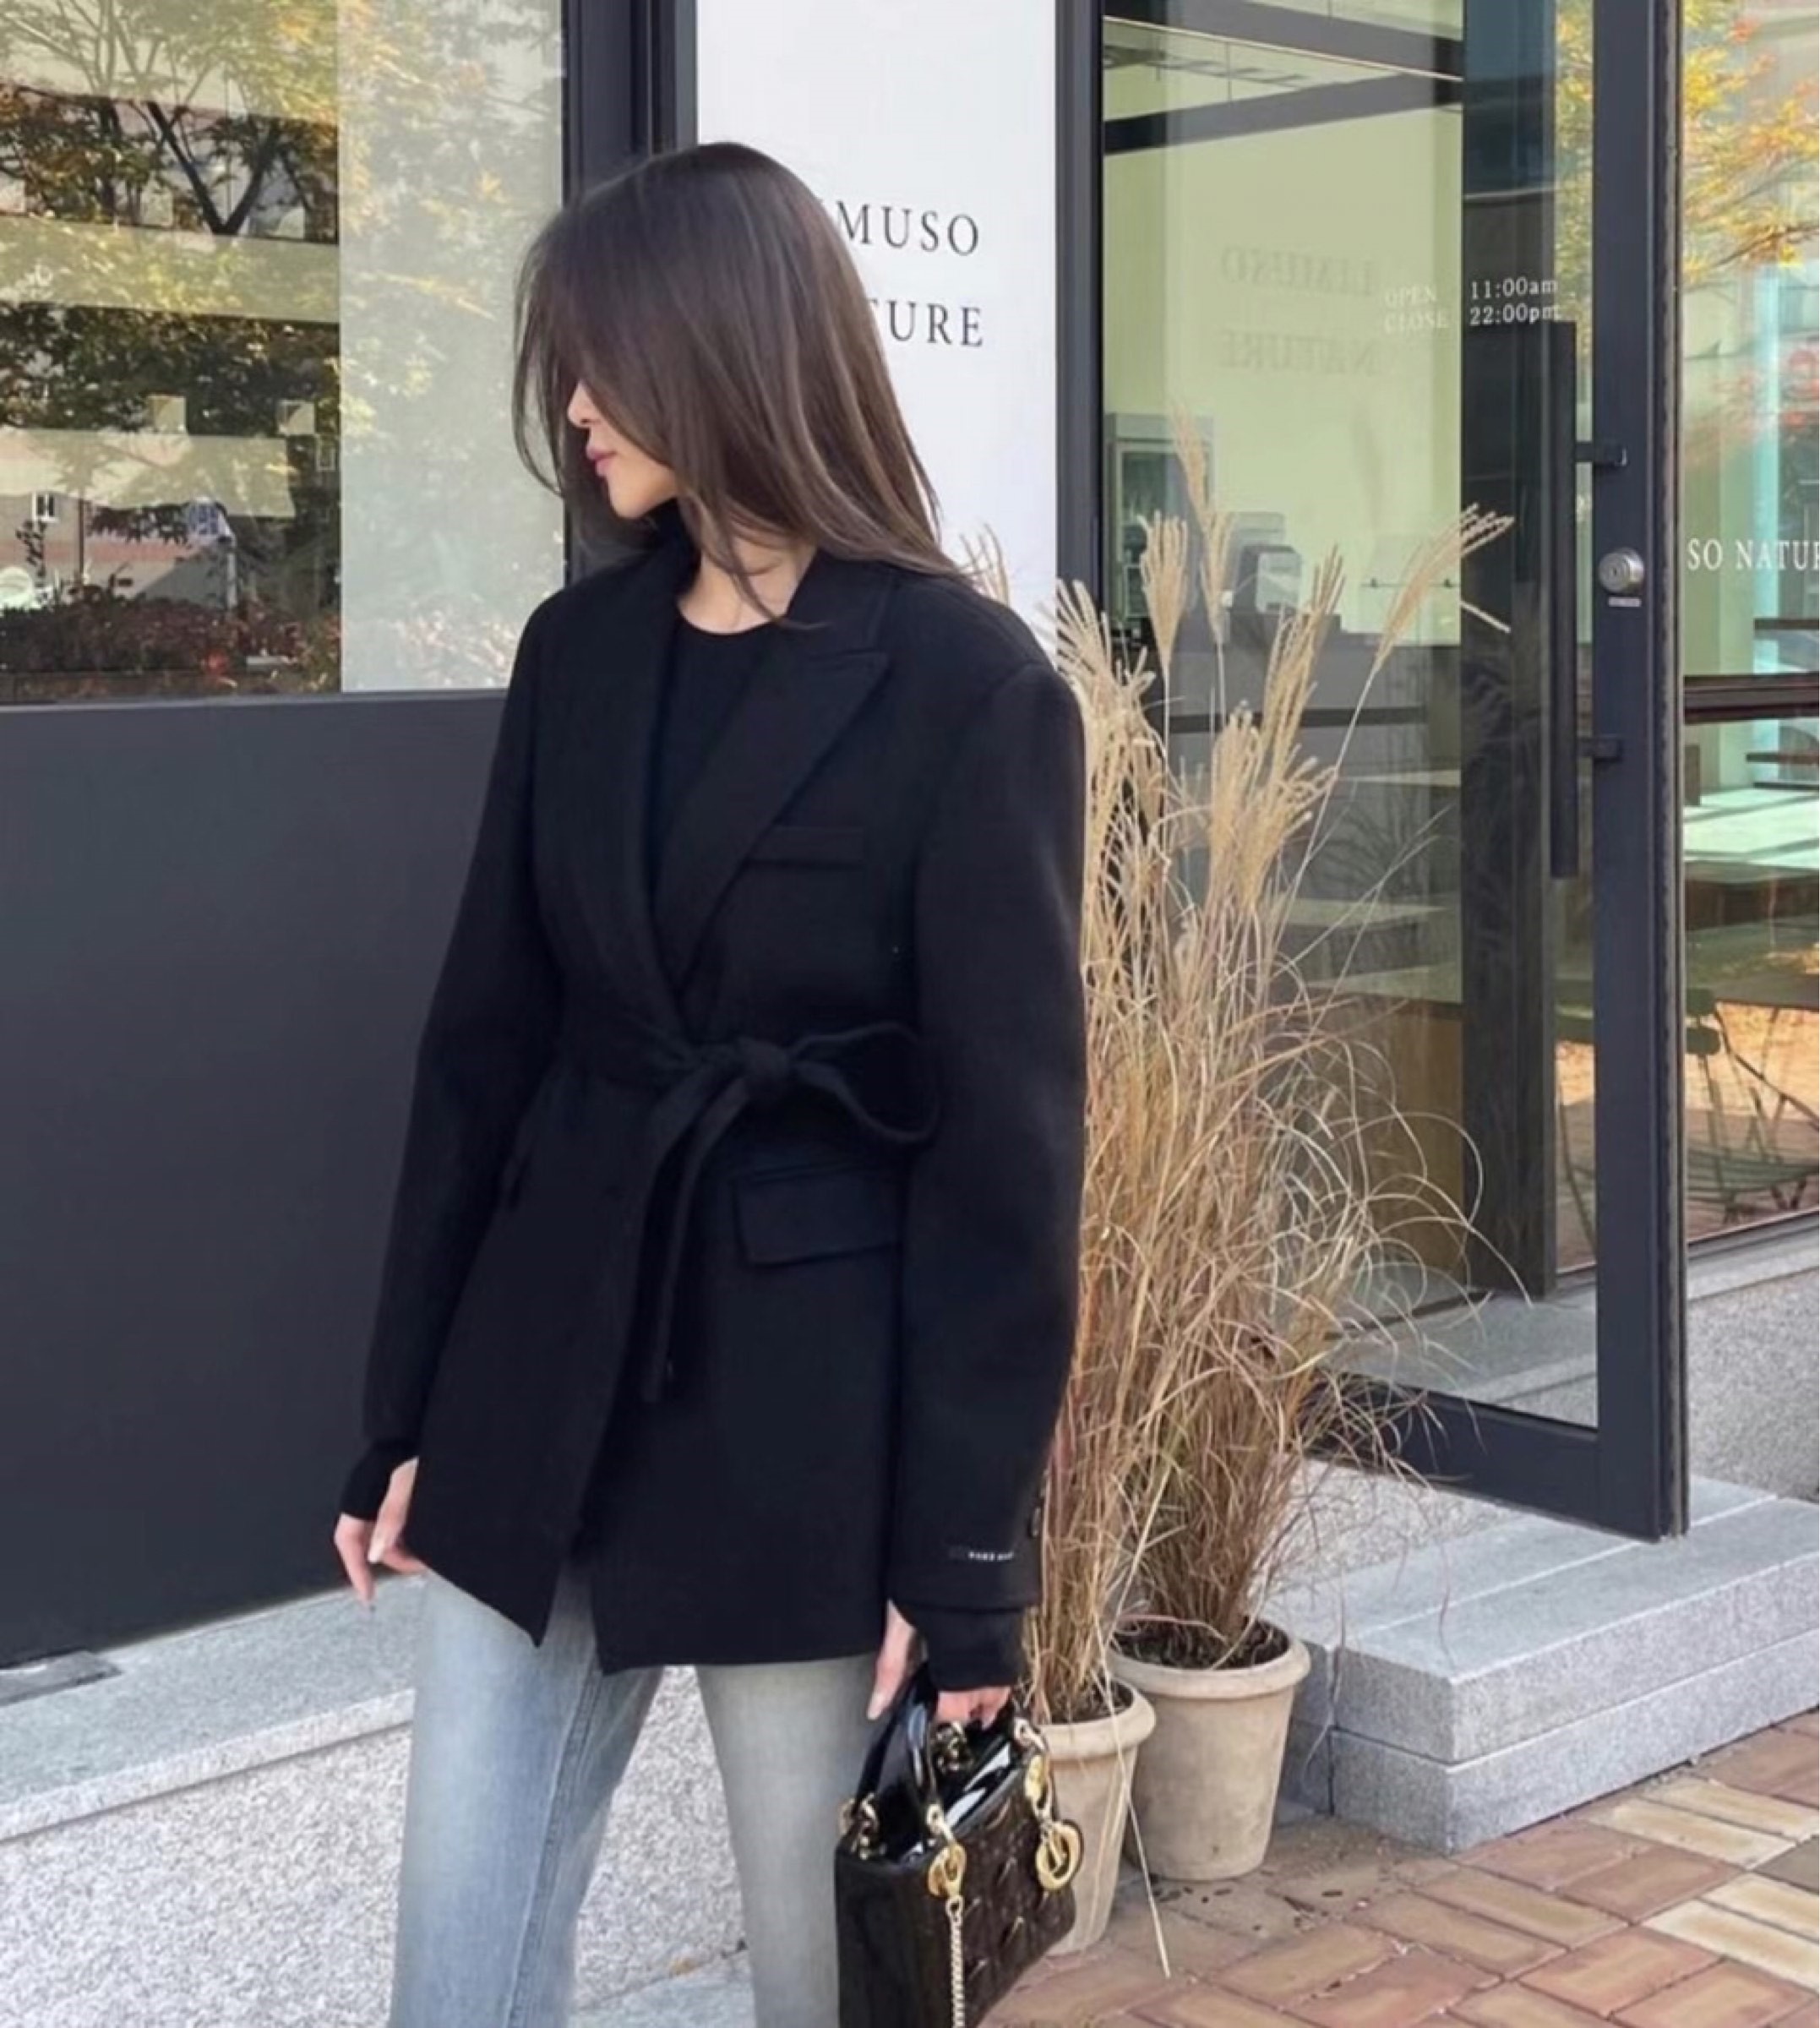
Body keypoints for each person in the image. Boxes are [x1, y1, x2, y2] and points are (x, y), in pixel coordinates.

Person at [330, 139, 1087, 2028]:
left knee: (818, 1978)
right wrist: (401, 1414)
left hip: (806, 1424)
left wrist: (968, 1560)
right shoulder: (579, 654)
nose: (574, 408)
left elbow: (1006, 1162)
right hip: (543, 1366)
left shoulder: (966, 684)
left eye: (603, 361)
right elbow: (482, 1049)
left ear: (722, 346)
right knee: (455, 1970)